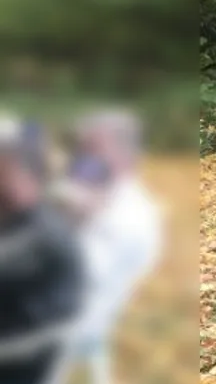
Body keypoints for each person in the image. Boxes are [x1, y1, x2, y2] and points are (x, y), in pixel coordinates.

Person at [63, 111, 163, 348]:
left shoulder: (131, 214)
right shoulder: (93, 194)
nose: (83, 158)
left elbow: (79, 276)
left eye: (93, 148)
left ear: (125, 156)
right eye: (81, 148)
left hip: (70, 324)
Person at [0, 126, 84, 384]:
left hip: (22, 363)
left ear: (30, 177)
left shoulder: (41, 236)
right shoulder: (27, 217)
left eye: (3, 172)